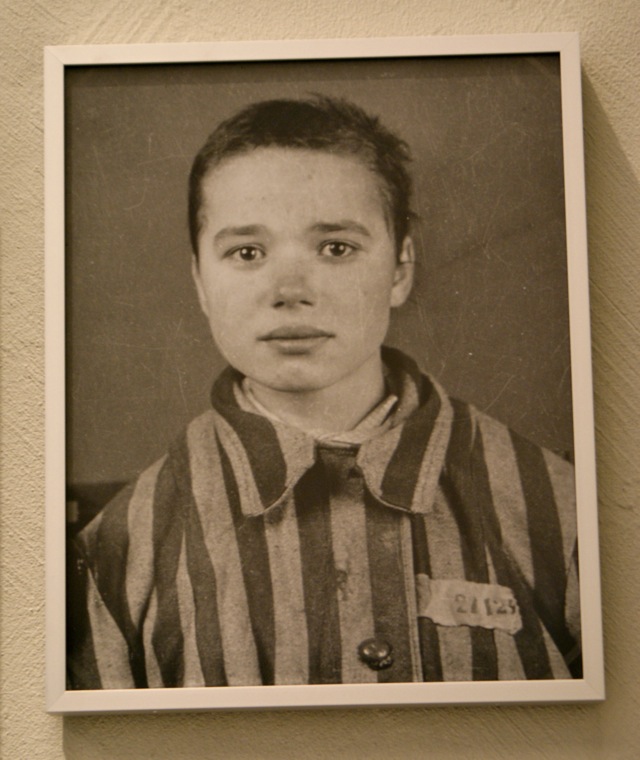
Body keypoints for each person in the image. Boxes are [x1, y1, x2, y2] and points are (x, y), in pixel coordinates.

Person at [67, 96, 581, 689]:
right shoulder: (118, 553)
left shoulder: (558, 508)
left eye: (336, 247)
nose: (289, 291)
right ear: (200, 282)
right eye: (247, 253)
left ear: (400, 269)